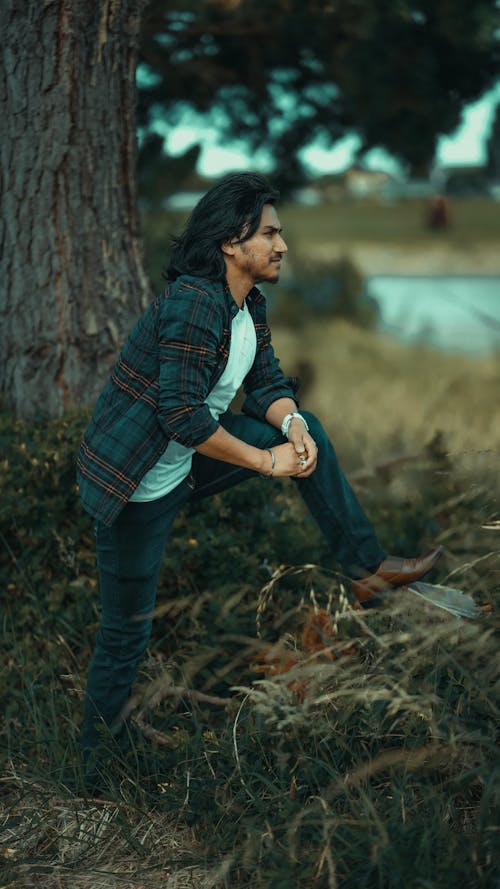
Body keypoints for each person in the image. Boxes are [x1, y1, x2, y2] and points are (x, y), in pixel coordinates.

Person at [76, 172, 441, 780]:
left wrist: (291, 427)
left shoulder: (249, 304)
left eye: (281, 232)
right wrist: (268, 460)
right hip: (137, 485)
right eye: (269, 232)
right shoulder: (196, 302)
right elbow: (182, 413)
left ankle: (368, 569)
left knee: (313, 429)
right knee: (125, 633)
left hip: (187, 461)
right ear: (229, 240)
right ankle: (94, 768)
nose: (283, 245)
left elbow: (267, 384)